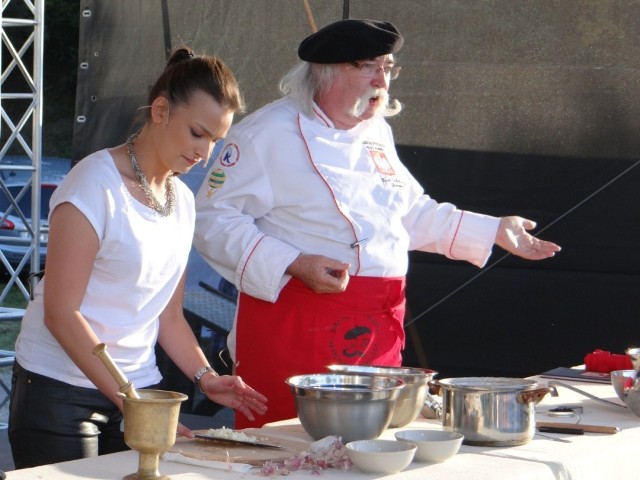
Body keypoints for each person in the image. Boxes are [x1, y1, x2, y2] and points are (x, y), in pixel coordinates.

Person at [193, 19, 561, 428]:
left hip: (376, 328)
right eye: (370, 67)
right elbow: (212, 218)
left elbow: (407, 214)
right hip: (297, 322)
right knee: (289, 451)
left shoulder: (377, 131)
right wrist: (293, 263)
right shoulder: (266, 133)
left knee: (372, 446)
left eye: (389, 68)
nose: (383, 81)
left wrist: (492, 229)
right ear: (329, 71)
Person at [8, 47, 267, 469]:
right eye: (197, 133)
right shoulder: (94, 183)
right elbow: (60, 311)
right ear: (161, 110)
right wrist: (127, 396)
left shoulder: (182, 199)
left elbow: (168, 317)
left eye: (216, 141)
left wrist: (207, 377)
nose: (205, 154)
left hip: (139, 394)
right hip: (59, 391)